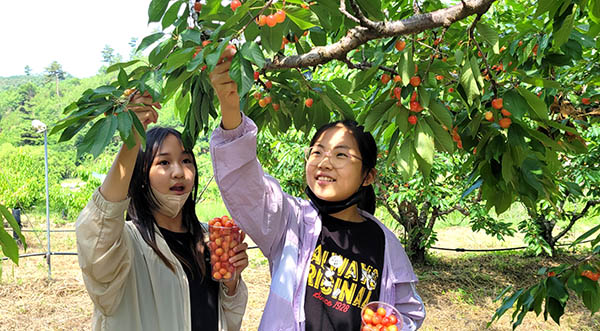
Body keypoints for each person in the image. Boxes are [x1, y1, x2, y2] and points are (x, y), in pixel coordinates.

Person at [208, 48, 425, 330]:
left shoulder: (384, 241)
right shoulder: (291, 222)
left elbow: (407, 311)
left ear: (368, 176)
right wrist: (229, 107)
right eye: (317, 152)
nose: (324, 163)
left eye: (341, 155)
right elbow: (248, 186)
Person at [76, 91, 248, 331]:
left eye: (186, 161)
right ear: (142, 174)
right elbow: (99, 225)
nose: (179, 172)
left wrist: (231, 283)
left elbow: (226, 321)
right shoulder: (126, 245)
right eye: (164, 163)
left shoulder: (209, 240)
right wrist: (132, 137)